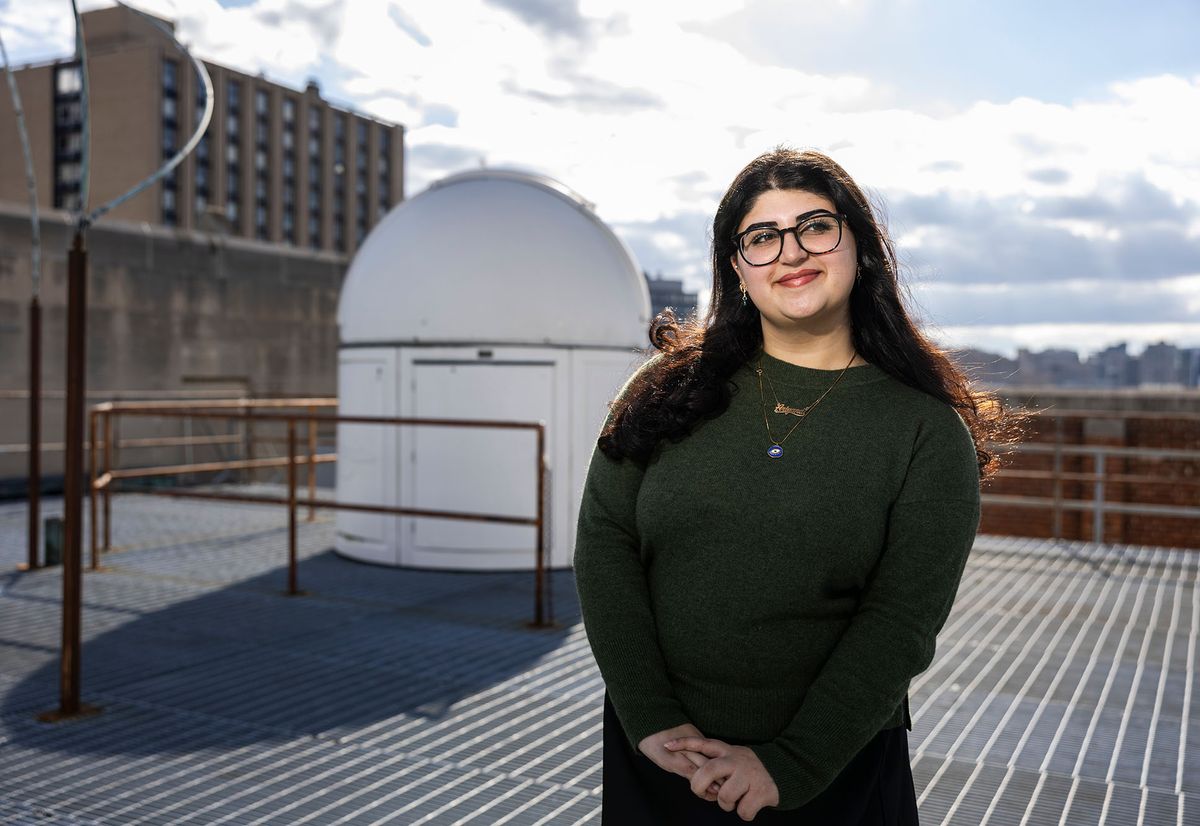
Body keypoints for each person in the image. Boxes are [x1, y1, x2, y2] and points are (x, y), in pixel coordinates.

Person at [573, 148, 1026, 823]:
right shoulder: (663, 392)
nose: (791, 252)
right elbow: (605, 543)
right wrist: (648, 715)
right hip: (663, 757)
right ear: (736, 267)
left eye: (815, 226)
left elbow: (900, 620)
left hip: (831, 771)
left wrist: (792, 764)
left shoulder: (924, 429)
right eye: (762, 237)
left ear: (859, 246)